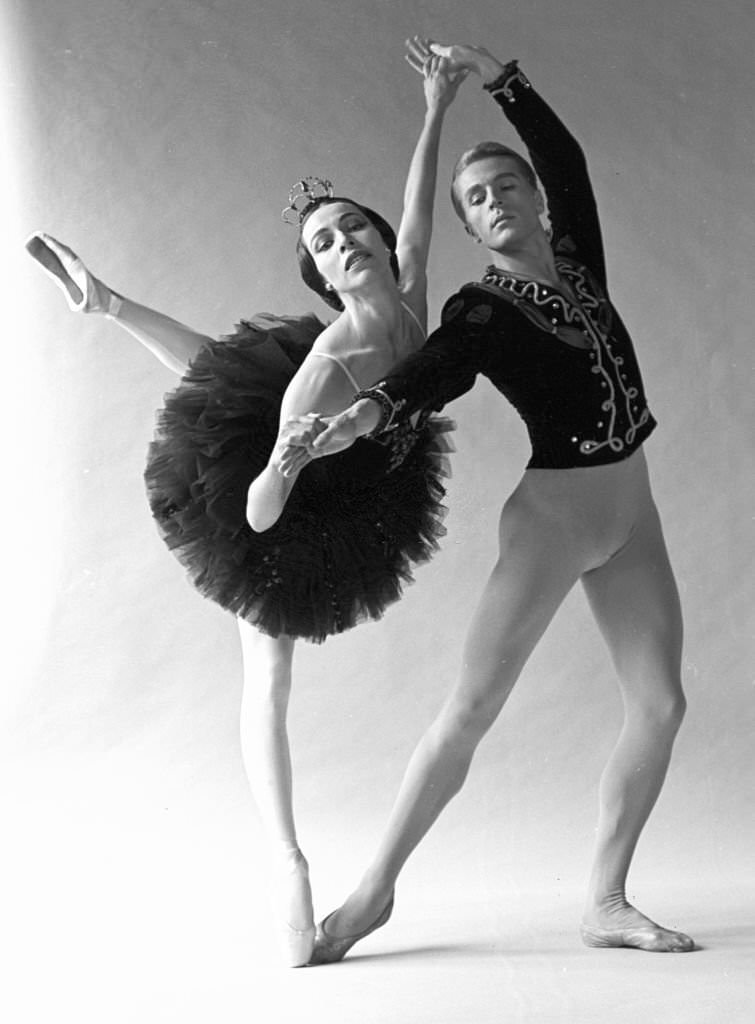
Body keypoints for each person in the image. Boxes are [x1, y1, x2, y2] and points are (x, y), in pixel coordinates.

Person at [25, 48, 467, 967]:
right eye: (323, 245)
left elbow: (420, 210)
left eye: (354, 230)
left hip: (355, 467)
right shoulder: (333, 356)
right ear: (320, 278)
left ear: (381, 245)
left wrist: (435, 105)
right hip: (273, 506)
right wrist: (285, 456)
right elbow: (261, 514)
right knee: (267, 676)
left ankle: (108, 302)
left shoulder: (413, 301)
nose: (344, 243)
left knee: (229, 376)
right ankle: (287, 862)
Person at [295, 39, 694, 961]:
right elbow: (433, 372)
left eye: (506, 186)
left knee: (661, 704)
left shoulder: (580, 264)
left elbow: (569, 161)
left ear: (534, 201)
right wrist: (360, 417)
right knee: (469, 712)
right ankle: (370, 895)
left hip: (630, 517)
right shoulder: (481, 308)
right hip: (552, 522)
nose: (492, 200)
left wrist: (500, 78)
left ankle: (605, 898)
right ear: (468, 230)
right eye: (474, 198)